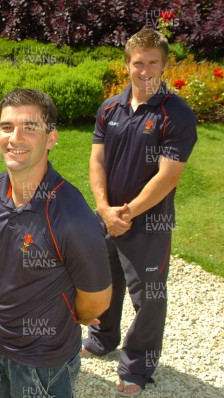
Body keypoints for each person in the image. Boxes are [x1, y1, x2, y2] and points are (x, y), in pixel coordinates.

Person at [83, 27, 197, 396]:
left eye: (152, 63)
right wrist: (104, 208)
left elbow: (168, 176)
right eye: (137, 63)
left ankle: (137, 366)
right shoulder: (110, 108)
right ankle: (102, 339)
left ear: (164, 66)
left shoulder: (177, 114)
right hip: (106, 217)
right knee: (104, 283)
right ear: (127, 64)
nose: (144, 70)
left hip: (149, 224)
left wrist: (125, 213)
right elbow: (96, 160)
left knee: (148, 296)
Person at [0, 88, 113, 397]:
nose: (15, 137)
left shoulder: (71, 218)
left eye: (30, 127)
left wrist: (74, 315)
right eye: (6, 126)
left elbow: (97, 301)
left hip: (42, 360)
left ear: (51, 138)